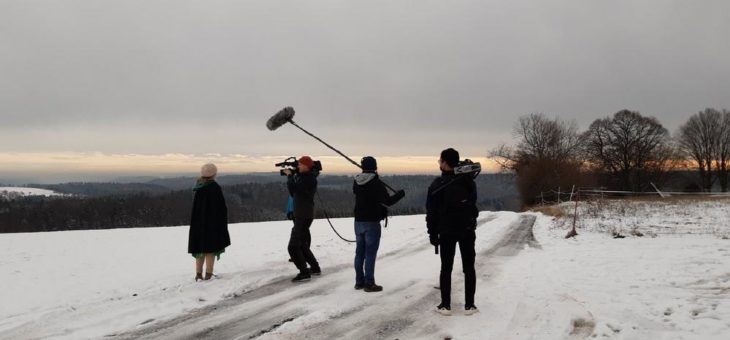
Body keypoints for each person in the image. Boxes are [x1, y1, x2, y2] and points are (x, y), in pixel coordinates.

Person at [426, 148, 479, 315]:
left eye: (440, 161)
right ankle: (470, 305)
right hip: (467, 229)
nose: (439, 164)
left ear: (446, 163)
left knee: (446, 268)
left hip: (446, 230)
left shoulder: (437, 184)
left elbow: (431, 212)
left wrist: (432, 234)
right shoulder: (468, 182)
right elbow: (473, 203)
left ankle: (445, 305)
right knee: (469, 267)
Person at [352, 156, 405, 292]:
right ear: (375, 167)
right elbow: (387, 201)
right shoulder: (376, 183)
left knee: (360, 253)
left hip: (358, 221)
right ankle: (369, 283)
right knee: (370, 253)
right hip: (372, 221)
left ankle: (359, 281)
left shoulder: (356, 181)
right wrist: (400, 195)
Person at [188, 163, 230, 281]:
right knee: (210, 249)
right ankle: (208, 274)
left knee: (199, 248)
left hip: (198, 223)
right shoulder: (214, 188)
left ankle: (198, 274)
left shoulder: (198, 186)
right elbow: (221, 208)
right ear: (213, 174)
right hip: (212, 223)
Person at [283, 156, 321, 282]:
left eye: (300, 164)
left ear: (306, 166)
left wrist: (289, 176)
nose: (298, 166)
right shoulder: (306, 177)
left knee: (293, 246)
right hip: (304, 214)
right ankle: (315, 267)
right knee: (302, 244)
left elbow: (293, 190)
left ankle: (304, 272)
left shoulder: (309, 179)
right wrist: (293, 174)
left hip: (303, 215)